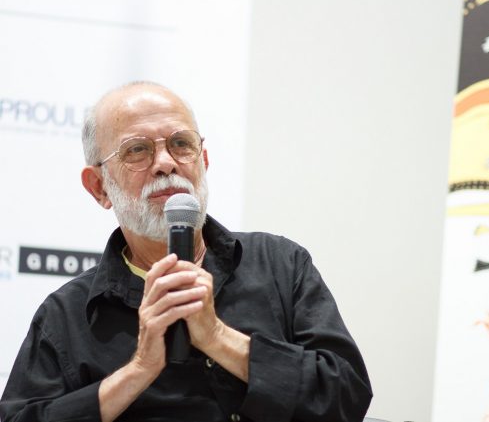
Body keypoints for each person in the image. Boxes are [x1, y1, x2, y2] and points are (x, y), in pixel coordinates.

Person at [0, 82, 372, 422]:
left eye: (181, 144)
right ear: (99, 186)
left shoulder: (280, 265)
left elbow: (347, 395)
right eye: (137, 150)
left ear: (203, 161)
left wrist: (217, 337)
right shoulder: (67, 314)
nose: (166, 163)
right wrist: (138, 370)